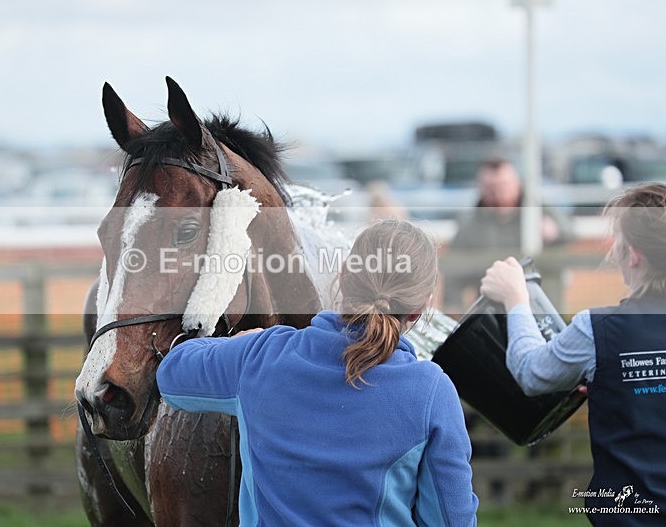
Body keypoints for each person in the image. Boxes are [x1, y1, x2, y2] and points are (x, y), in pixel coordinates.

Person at [157, 219, 479, 526]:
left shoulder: (261, 358)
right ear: (420, 307)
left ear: (341, 277)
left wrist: (243, 343)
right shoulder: (432, 392)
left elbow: (171, 374)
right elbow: (451, 520)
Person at [480, 182, 666, 525]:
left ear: (635, 254)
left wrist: (517, 300)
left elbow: (531, 371)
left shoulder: (598, 328)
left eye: (619, 242)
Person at [444, 157, 575, 312]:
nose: (497, 193)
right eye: (490, 188)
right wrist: (452, 313)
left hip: (542, 310)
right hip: (494, 314)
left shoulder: (538, 210)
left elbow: (570, 232)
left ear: (517, 184)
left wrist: (555, 231)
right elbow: (453, 273)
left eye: (503, 186)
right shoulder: (470, 224)